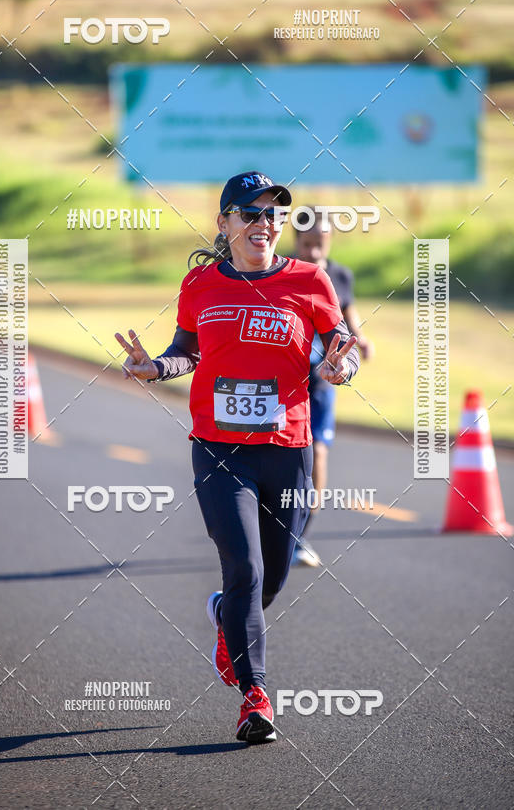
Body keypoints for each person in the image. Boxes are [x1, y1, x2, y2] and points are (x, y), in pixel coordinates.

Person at [115, 171, 359, 744]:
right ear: (224, 224)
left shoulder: (311, 280)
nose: (264, 223)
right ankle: (256, 699)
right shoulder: (200, 284)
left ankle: (226, 612)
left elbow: (340, 355)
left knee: (270, 579)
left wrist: (336, 370)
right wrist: (154, 368)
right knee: (245, 566)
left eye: (273, 214)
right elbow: (185, 352)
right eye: (249, 213)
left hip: (288, 451)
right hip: (220, 450)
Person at [291, 209, 374, 567]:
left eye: (319, 245)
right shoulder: (283, 274)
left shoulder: (340, 275)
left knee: (318, 455)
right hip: (284, 384)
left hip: (322, 383)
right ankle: (274, 529)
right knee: (286, 459)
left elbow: (348, 311)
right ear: (295, 241)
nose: (312, 253)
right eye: (306, 245)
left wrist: (362, 338)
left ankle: (301, 536)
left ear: (329, 241)